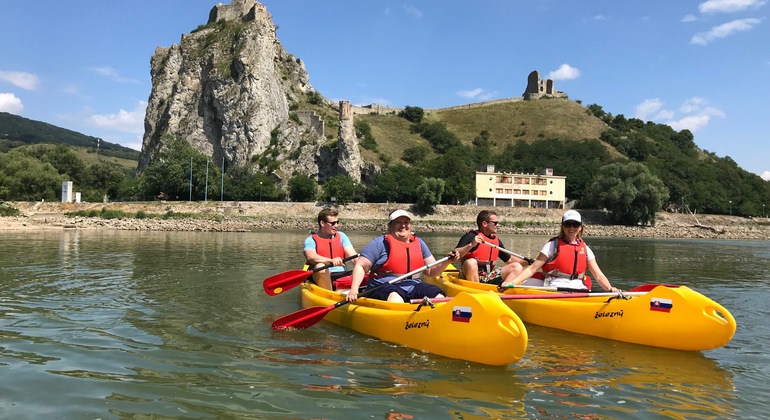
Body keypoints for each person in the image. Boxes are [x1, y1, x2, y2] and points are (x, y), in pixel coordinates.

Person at [346, 209, 461, 303]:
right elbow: (361, 266)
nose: (403, 226)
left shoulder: (419, 243)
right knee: (396, 298)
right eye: (398, 222)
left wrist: (447, 261)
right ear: (390, 226)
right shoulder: (379, 243)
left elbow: (431, 272)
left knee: (439, 296)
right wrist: (354, 290)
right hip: (384, 286)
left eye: (406, 222)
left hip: (412, 286)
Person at [500, 210, 620, 292]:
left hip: (578, 288)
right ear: (563, 226)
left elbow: (598, 275)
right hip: (555, 287)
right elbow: (532, 268)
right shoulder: (552, 246)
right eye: (568, 224)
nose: (571, 228)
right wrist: (511, 283)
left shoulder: (586, 249)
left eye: (575, 224)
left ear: (580, 227)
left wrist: (610, 289)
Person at [453, 210, 528, 285]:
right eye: (495, 223)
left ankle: (504, 288)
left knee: (517, 266)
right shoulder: (471, 236)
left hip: (488, 276)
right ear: (484, 224)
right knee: (471, 262)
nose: (498, 225)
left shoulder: (496, 241)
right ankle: (477, 289)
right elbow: (455, 254)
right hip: (469, 277)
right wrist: (471, 244)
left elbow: (510, 260)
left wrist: (532, 262)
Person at [303, 208, 358, 290]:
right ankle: (330, 295)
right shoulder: (311, 240)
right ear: (322, 223)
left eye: (337, 222)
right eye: (333, 223)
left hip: (340, 274)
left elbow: (353, 257)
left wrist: (366, 266)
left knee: (361, 268)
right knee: (320, 266)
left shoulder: (342, 236)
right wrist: (330, 261)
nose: (336, 225)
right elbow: (311, 256)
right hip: (319, 274)